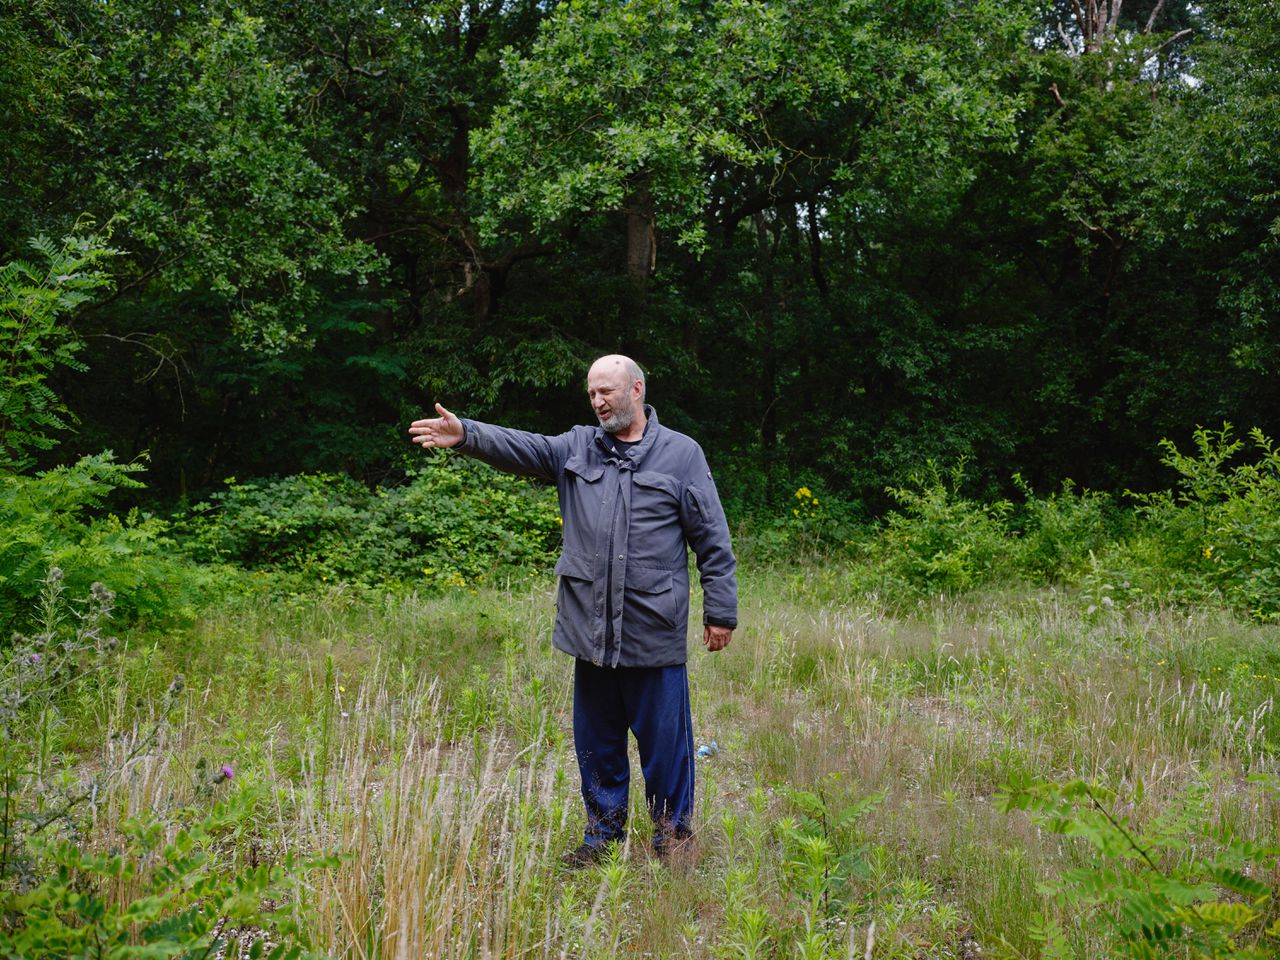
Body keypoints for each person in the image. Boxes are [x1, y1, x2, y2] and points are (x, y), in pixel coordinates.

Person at [409, 354, 737, 865]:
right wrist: (468, 434)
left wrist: (721, 610)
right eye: (591, 393)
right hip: (591, 633)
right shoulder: (577, 447)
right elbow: (524, 446)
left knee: (667, 751)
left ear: (637, 390)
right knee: (598, 747)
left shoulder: (681, 455)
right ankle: (602, 841)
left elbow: (712, 538)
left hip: (654, 633)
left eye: (607, 391)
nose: (598, 401)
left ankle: (673, 841)